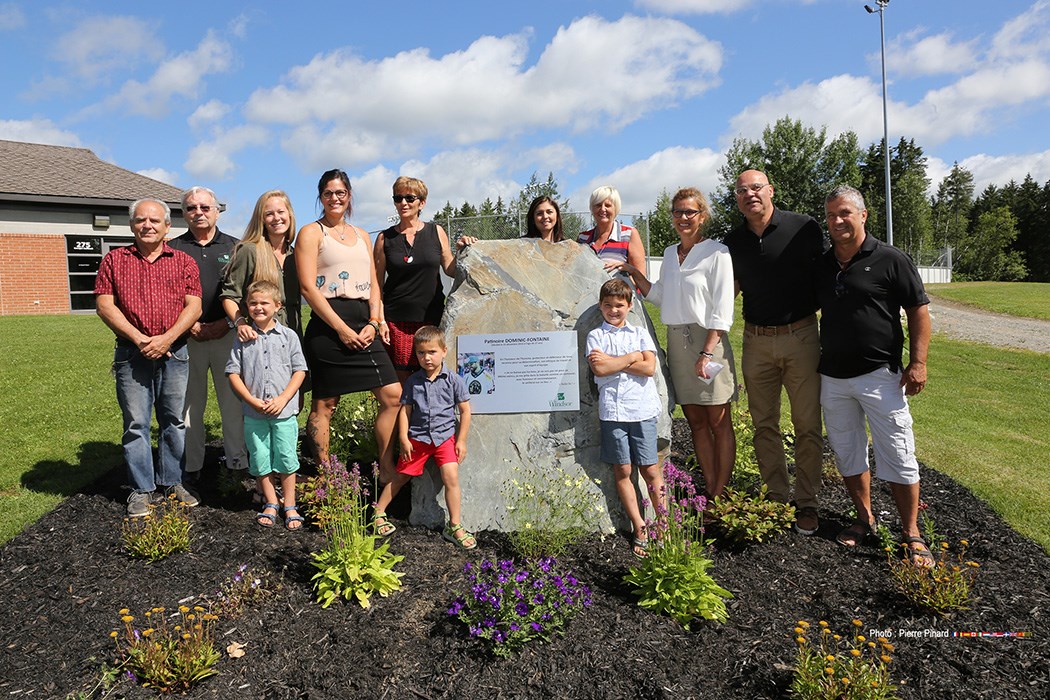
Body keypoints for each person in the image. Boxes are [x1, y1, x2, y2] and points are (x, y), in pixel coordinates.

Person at [818, 185, 933, 568]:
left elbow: (918, 310)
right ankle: (864, 519)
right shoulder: (824, 263)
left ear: (863, 215)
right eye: (832, 215)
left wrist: (918, 362)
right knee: (848, 452)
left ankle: (911, 533)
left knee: (898, 453)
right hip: (833, 378)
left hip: (881, 375)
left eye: (845, 213)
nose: (837, 221)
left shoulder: (890, 259)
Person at [614, 187, 737, 499]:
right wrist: (633, 273)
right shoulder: (670, 254)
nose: (683, 217)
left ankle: (720, 495)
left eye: (690, 212)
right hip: (677, 341)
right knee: (696, 422)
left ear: (702, 216)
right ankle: (708, 489)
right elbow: (660, 296)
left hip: (708, 340)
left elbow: (722, 309)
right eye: (678, 212)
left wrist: (707, 351)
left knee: (718, 421)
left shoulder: (717, 252)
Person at [724, 170, 826, 535]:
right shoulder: (732, 242)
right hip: (756, 340)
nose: (749, 194)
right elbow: (724, 293)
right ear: (736, 199)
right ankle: (777, 498)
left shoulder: (804, 228)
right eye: (741, 190)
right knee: (764, 424)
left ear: (771, 191)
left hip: (801, 337)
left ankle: (807, 503)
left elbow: (827, 277)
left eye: (756, 188)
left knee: (807, 425)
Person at [94, 199, 202, 516]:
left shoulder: (183, 262)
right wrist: (142, 339)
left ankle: (173, 482)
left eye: (155, 220)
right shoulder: (114, 260)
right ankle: (141, 489)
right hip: (131, 353)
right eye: (141, 220)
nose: (148, 225)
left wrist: (166, 338)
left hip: (175, 351)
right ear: (132, 225)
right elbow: (105, 306)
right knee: (136, 424)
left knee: (173, 422)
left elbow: (193, 307)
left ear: (167, 226)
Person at [296, 169, 401, 478]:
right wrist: (341, 329)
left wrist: (374, 319)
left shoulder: (362, 235)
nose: (335, 198)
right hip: (328, 325)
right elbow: (307, 288)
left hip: (364, 321)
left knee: (392, 395)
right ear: (320, 197)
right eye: (328, 193)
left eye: (340, 192)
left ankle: (385, 468)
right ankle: (327, 474)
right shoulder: (311, 233)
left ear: (349, 196)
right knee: (325, 404)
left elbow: (373, 282)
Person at [372, 326, 475, 550]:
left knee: (451, 477)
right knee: (400, 477)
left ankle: (454, 526)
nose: (426, 358)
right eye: (421, 353)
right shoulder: (413, 382)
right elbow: (405, 411)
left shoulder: (453, 380)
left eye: (432, 352)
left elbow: (465, 411)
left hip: (444, 439)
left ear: (444, 351)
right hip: (417, 440)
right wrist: (403, 438)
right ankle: (377, 513)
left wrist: (461, 440)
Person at [169, 186, 247, 482]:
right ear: (184, 213)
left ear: (217, 211)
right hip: (187, 338)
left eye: (204, 207)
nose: (198, 213)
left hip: (228, 335)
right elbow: (169, 296)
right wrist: (189, 325)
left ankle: (237, 464)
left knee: (232, 403)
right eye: (191, 208)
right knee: (190, 406)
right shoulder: (173, 249)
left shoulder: (237, 247)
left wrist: (226, 324)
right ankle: (192, 468)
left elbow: (247, 294)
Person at [586, 278, 665, 557]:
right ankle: (639, 526)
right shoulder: (595, 336)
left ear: (629, 306)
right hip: (612, 412)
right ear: (600, 306)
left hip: (641, 410)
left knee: (651, 470)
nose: (614, 310)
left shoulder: (640, 333)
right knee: (623, 471)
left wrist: (615, 362)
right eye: (608, 305)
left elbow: (648, 369)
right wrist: (631, 358)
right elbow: (599, 370)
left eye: (619, 305)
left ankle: (664, 523)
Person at [226, 280, 308, 530]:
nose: (258, 307)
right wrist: (250, 400)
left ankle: (290, 504)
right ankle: (271, 502)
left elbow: (299, 370)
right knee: (260, 459)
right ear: (246, 306)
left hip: (283, 412)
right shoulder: (242, 338)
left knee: (286, 457)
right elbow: (233, 373)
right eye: (253, 303)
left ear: (277, 306)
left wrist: (283, 398)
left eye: (264, 303)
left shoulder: (289, 336)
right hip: (254, 412)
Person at [373, 177, 458, 381]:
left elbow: (450, 269)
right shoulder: (385, 239)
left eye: (410, 198)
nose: (403, 203)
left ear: (422, 202)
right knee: (402, 389)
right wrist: (380, 320)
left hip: (431, 321)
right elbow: (376, 283)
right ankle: (404, 415)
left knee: (432, 381)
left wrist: (465, 250)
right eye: (398, 198)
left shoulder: (436, 232)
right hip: (397, 324)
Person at [222, 190, 302, 340]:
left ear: (290, 215)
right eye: (269, 214)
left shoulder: (297, 255)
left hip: (293, 337)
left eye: (280, 212)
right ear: (262, 219)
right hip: (259, 338)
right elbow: (230, 296)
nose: (276, 218)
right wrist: (240, 323)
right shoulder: (249, 251)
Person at [578, 185, 646, 271]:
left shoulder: (629, 234)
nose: (603, 209)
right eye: (598, 205)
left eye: (608, 205)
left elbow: (639, 276)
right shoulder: (583, 238)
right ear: (592, 208)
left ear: (616, 208)